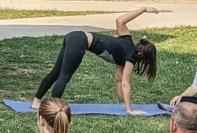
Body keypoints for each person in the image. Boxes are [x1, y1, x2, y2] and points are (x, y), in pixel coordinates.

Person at [31, 8, 159, 115]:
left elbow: (119, 79)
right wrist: (129, 110)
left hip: (74, 36)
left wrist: (123, 103)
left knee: (56, 73)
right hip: (79, 41)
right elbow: (126, 83)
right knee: (64, 77)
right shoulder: (130, 58)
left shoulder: (127, 43)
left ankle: (36, 102)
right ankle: (53, 108)